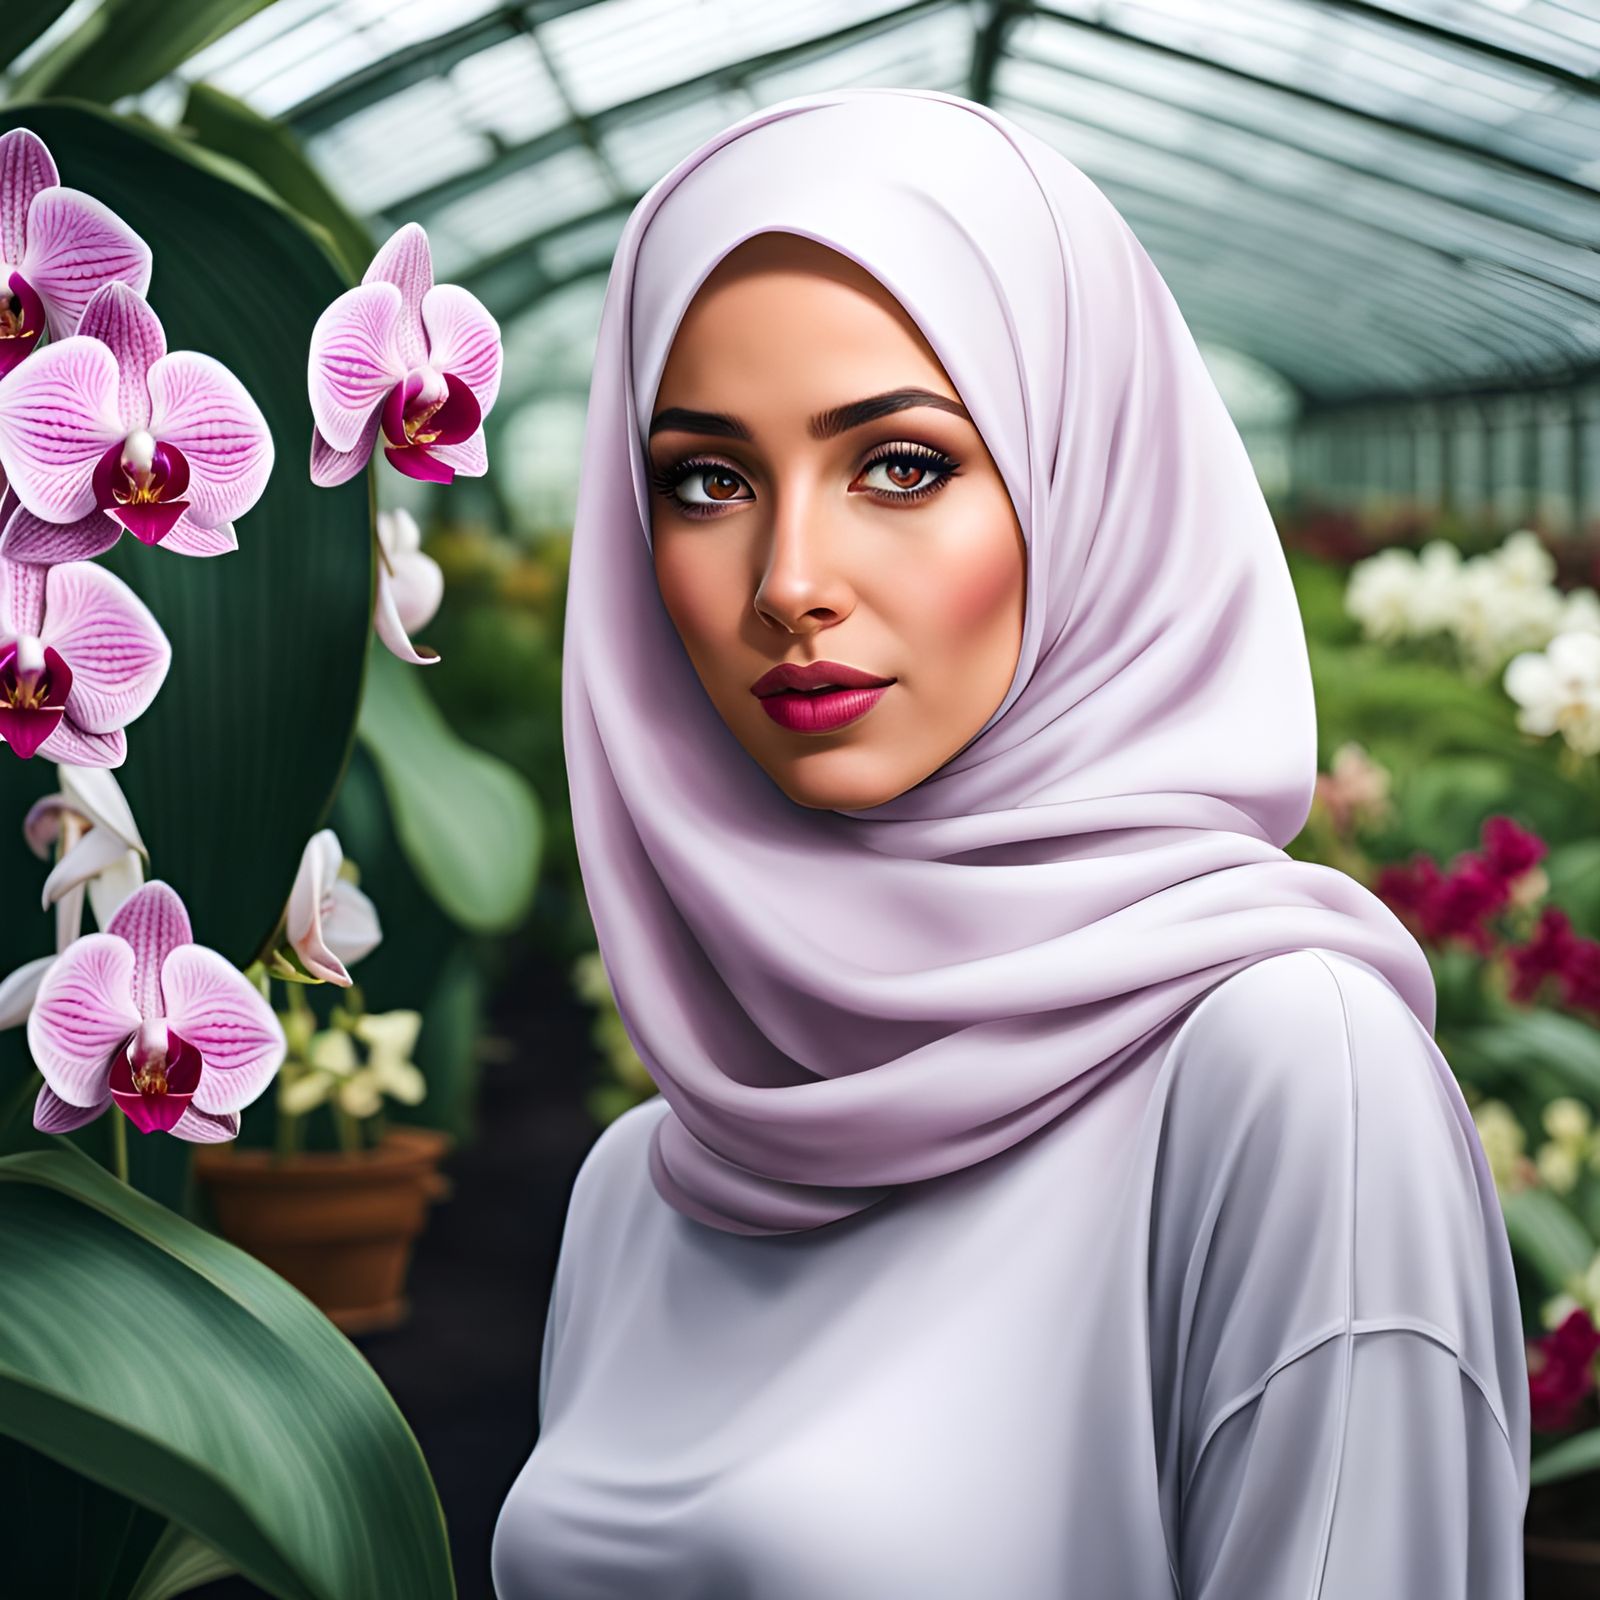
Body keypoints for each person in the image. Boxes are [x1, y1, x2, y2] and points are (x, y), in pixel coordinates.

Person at [491, 87, 1529, 1598]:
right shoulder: (652, 1179)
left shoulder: (1288, 1084)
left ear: (1091, 483)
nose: (790, 581)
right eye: (706, 480)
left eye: (901, 464)